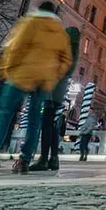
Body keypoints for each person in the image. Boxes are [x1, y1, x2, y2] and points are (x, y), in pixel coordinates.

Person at [0, 1, 72, 175]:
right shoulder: (60, 33)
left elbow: (15, 47)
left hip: (20, 75)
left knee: (3, 114)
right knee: (34, 121)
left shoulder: (30, 22)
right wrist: (52, 75)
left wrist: (6, 70)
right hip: (43, 81)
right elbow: (66, 59)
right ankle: (24, 160)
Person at [30, 27, 80, 171]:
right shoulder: (74, 52)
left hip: (53, 87)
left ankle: (44, 159)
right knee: (53, 125)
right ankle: (54, 158)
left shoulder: (65, 49)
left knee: (47, 123)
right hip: (60, 90)